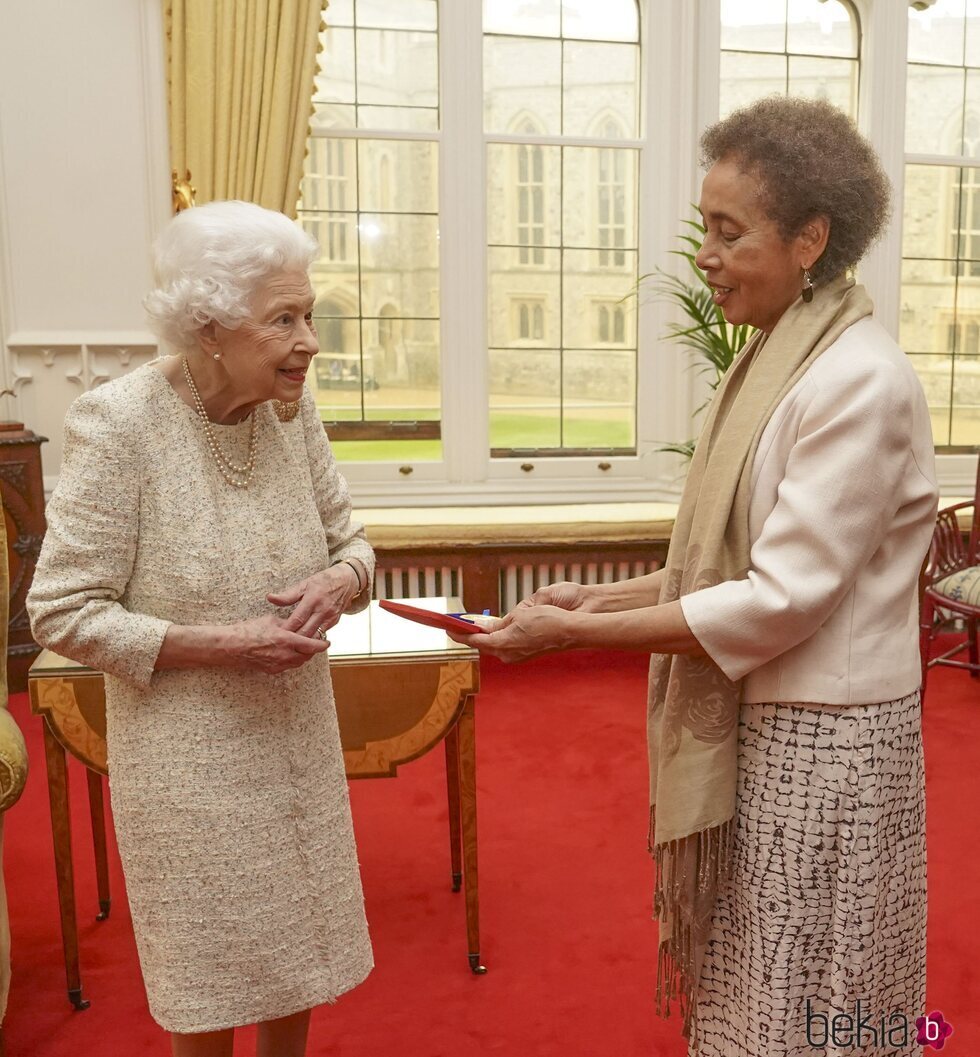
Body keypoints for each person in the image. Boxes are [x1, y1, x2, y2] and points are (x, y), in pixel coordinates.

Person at [455, 97, 938, 1056]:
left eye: (729, 233)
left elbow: (783, 596)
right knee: (757, 982)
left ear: (811, 238)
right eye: (703, 230)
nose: (704, 256)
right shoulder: (775, 356)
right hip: (771, 721)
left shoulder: (857, 379)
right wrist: (603, 596)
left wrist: (572, 637)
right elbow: (724, 562)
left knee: (811, 1001)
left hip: (829, 743)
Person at [27, 201, 375, 1057]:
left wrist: (343, 577)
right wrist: (221, 643)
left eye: (309, 316)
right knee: (210, 978)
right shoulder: (122, 424)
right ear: (211, 326)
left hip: (296, 746)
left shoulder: (292, 414)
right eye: (284, 320)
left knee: (300, 962)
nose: (309, 341)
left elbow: (357, 545)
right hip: (189, 770)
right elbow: (62, 609)